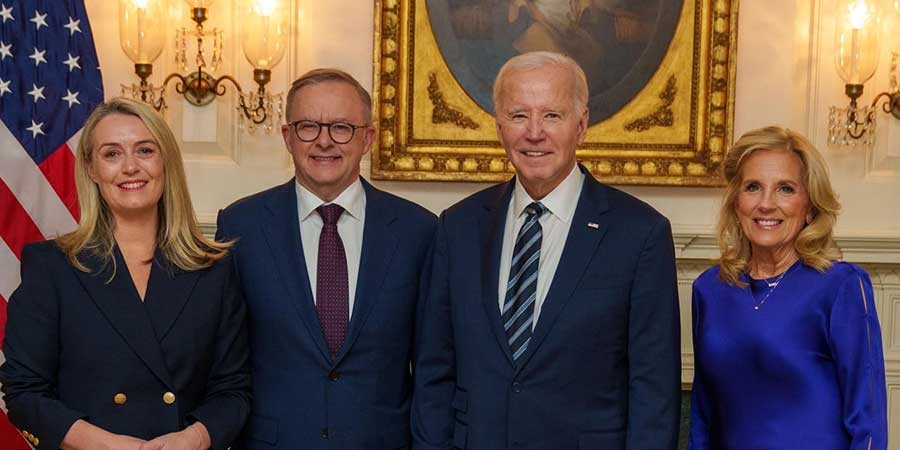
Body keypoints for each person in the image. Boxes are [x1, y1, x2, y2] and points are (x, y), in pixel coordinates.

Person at [412, 51, 681, 450]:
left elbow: (653, 389)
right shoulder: (459, 226)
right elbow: (434, 371)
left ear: (582, 124)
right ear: (499, 126)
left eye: (552, 115)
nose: (534, 132)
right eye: (519, 115)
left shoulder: (640, 233)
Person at [0, 98, 251, 450]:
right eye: (112, 154)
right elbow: (24, 392)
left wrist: (194, 438)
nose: (130, 166)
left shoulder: (214, 270)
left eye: (145, 150)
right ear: (91, 169)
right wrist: (103, 444)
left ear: (166, 161)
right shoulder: (51, 267)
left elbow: (233, 389)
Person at [216, 68, 437, 449]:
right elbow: (224, 360)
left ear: (367, 138)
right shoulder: (242, 225)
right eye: (308, 127)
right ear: (287, 137)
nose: (324, 141)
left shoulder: (418, 230)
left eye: (341, 127)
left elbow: (434, 366)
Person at [688, 126, 887, 449]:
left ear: (809, 205)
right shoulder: (709, 289)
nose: (766, 204)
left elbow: (869, 420)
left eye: (785, 189)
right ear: (736, 203)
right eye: (753, 187)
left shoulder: (842, 286)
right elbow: (702, 414)